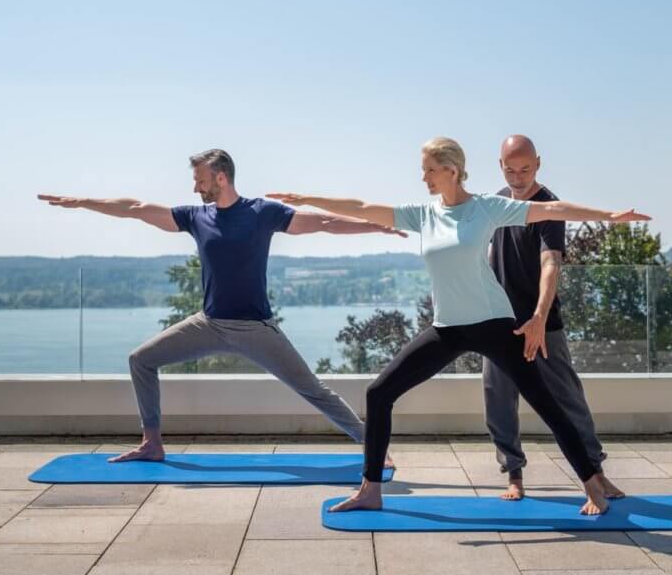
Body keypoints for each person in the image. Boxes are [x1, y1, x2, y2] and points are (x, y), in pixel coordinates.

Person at [268, 137, 650, 515]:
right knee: (379, 392)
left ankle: (592, 486)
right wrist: (305, 198)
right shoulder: (424, 213)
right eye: (424, 171)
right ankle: (371, 489)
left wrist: (610, 216)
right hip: (447, 327)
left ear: (452, 170)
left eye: (430, 171)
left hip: (494, 325)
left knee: (547, 405)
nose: (425, 178)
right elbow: (363, 207)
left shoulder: (486, 208)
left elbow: (551, 208)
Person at [39, 148, 405, 464]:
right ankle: (151, 443)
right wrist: (82, 202)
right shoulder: (196, 217)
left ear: (221, 177)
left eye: (199, 180)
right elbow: (136, 209)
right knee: (141, 360)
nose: (195, 187)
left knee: (313, 390)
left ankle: (373, 446)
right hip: (209, 323)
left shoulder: (262, 213)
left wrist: (376, 226)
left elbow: (324, 222)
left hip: (255, 329)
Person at [485, 135, 623, 501]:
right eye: (511, 169)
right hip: (498, 322)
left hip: (542, 323)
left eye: (525, 169)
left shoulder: (548, 205)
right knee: (498, 400)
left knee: (567, 398)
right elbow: (487, 255)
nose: (518, 176)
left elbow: (551, 263)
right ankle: (513, 474)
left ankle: (594, 472)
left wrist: (539, 317)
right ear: (500, 165)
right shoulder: (496, 202)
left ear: (539, 164)